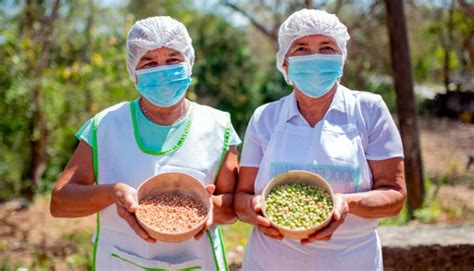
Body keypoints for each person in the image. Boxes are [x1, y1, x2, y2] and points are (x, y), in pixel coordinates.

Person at [50, 16, 240, 271]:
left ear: (189, 63)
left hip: (197, 263)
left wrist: (207, 207)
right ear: (134, 72)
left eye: (173, 60)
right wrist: (112, 192)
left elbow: (233, 208)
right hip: (121, 263)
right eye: (149, 63)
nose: (162, 70)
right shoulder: (105, 126)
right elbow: (60, 202)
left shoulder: (218, 126)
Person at [235, 9, 406, 271]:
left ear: (341, 60)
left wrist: (346, 204)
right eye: (302, 48)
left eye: (326, 47)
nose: (314, 57)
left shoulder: (369, 110)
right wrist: (255, 209)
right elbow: (241, 198)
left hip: (352, 261)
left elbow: (395, 194)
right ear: (284, 62)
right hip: (270, 262)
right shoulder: (265, 118)